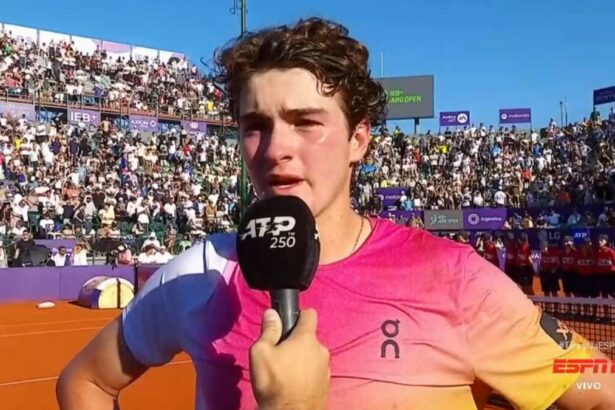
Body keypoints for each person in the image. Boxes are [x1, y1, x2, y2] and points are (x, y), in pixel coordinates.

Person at [57, 17, 615, 410]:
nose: (275, 149)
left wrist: (553, 368)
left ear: (358, 140)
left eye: (306, 121)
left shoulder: (454, 276)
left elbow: (593, 383)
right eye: (256, 126)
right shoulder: (200, 273)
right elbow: (84, 381)